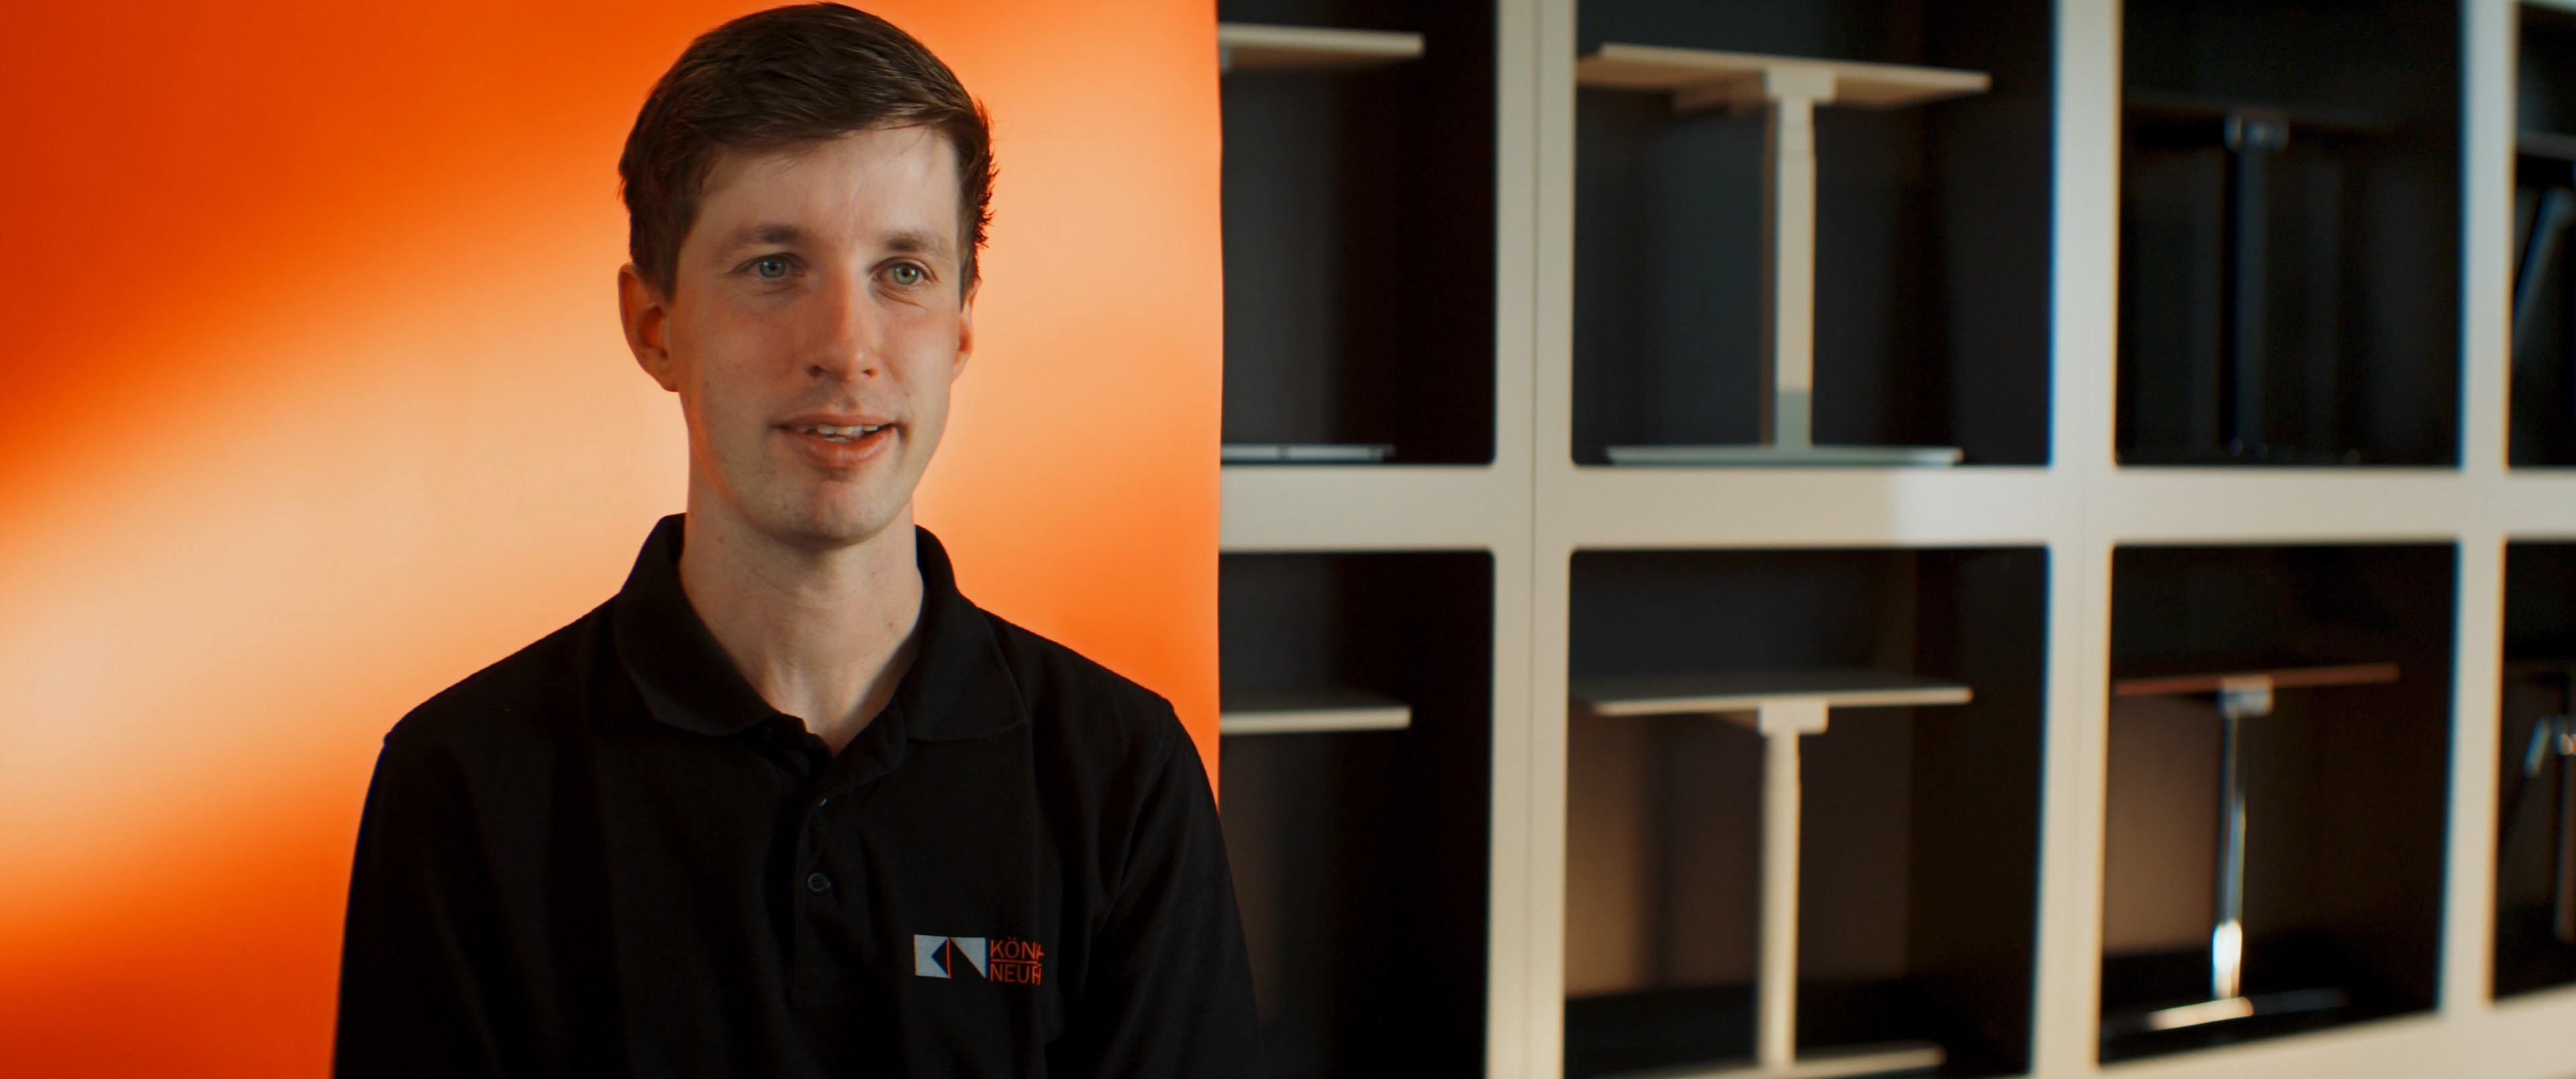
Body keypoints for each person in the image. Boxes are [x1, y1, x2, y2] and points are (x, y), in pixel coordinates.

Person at [331, 5, 1260, 1075]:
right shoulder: (462, 785)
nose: (847, 348)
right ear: (654, 326)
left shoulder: (1123, 777)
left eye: (903, 271)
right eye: (774, 266)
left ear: (961, 327)